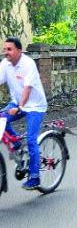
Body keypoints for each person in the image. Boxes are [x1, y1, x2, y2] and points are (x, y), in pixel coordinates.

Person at [0, 37, 47, 190]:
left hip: (34, 105)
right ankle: (16, 143)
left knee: (32, 140)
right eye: (4, 49)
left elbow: (27, 89)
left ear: (19, 51)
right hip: (17, 102)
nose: (5, 52)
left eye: (9, 49)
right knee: (1, 118)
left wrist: (20, 107)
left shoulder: (28, 64)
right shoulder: (5, 64)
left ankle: (35, 177)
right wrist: (17, 105)